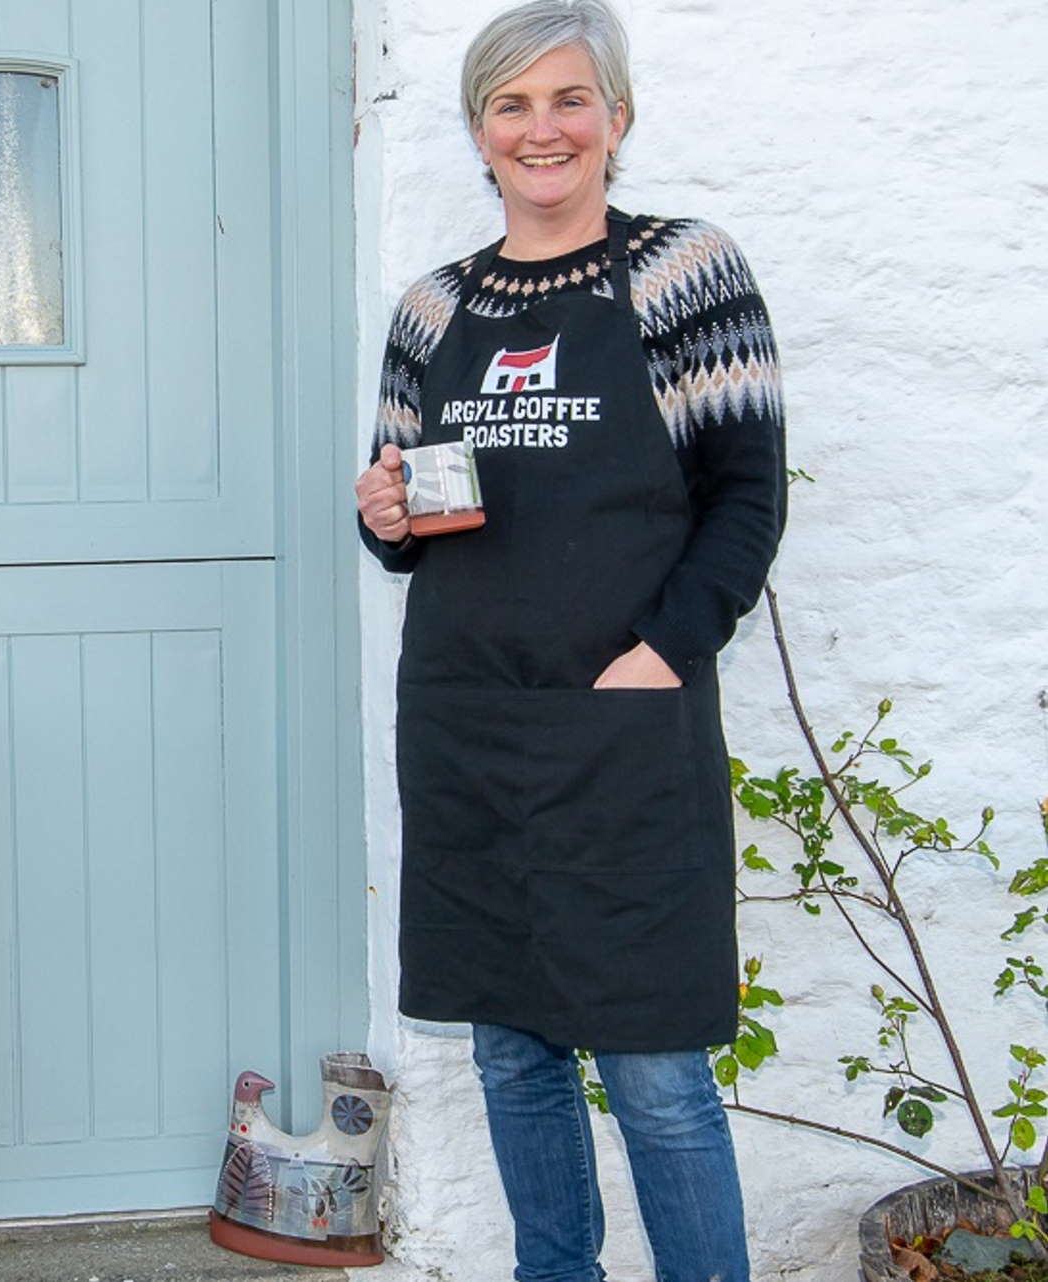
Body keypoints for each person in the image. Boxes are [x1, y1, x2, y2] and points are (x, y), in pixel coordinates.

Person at [354, 2, 785, 1279]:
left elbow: (745, 499)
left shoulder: (681, 272)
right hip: (470, 726)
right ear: (477, 130)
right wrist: (381, 515)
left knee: (655, 1070)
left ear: (615, 116)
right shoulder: (430, 310)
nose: (539, 129)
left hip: (623, 732)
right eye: (510, 104)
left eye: (567, 100)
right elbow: (404, 515)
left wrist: (659, 656)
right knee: (511, 1051)